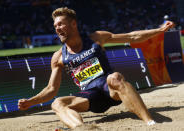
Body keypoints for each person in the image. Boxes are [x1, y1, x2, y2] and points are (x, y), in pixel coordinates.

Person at [18, 7, 174, 129]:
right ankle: (82, 129)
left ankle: (150, 123)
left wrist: (159, 30)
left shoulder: (96, 37)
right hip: (90, 97)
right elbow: (51, 89)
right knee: (57, 103)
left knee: (115, 77)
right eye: (55, 26)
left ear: (73, 24)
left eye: (60, 24)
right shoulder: (58, 57)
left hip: (111, 89)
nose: (57, 28)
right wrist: (30, 102)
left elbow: (132, 36)